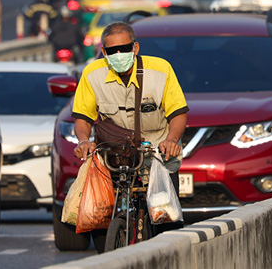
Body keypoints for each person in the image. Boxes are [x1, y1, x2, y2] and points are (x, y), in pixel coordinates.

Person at [72, 21, 189, 231]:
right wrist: (83, 141)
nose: (119, 54)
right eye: (112, 50)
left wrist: (171, 140)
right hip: (115, 154)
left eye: (124, 49)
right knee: (99, 219)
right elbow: (83, 118)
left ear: (135, 48)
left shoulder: (160, 69)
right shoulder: (91, 74)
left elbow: (178, 113)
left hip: (157, 154)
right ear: (104, 52)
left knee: (166, 220)